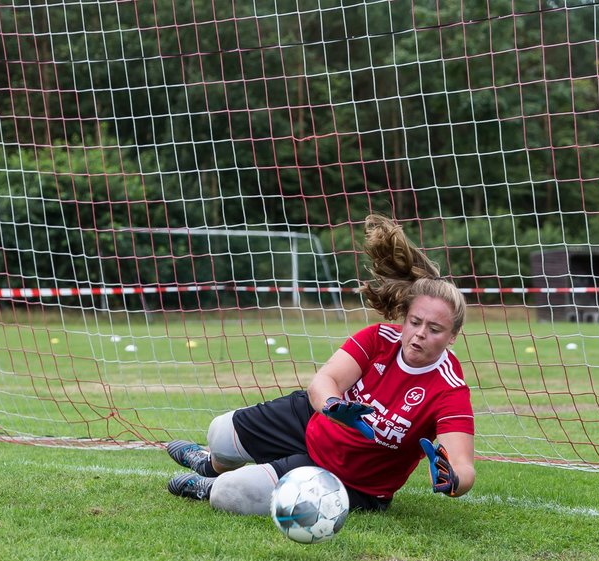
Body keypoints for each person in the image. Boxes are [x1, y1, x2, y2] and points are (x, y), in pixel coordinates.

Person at [163, 214, 476, 515]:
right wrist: (333, 405)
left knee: (228, 494)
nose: (420, 334)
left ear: (452, 336)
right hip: (314, 421)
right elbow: (323, 381)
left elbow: (462, 466)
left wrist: (454, 481)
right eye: (415, 321)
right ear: (404, 318)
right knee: (219, 433)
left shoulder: (449, 389)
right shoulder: (378, 339)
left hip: (351, 479)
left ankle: (209, 484)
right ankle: (209, 465)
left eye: (434, 329)